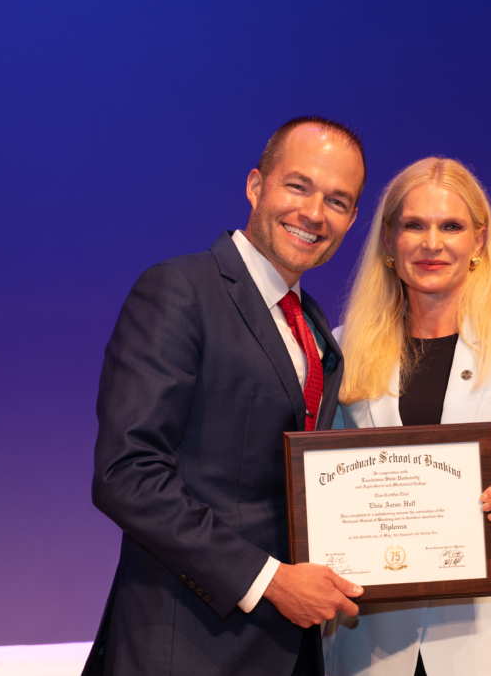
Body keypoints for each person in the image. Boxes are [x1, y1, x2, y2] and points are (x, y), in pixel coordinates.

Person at [82, 116, 368, 676]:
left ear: (353, 218)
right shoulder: (180, 290)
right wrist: (270, 580)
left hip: (292, 650)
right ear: (256, 186)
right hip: (188, 647)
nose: (314, 213)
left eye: (337, 201)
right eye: (298, 186)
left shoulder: (313, 325)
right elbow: (127, 473)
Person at [322, 157, 491, 676]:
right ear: (388, 240)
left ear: (479, 242)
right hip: (374, 636)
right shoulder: (344, 347)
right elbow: (326, 479)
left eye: (451, 227)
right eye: (414, 225)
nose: (432, 243)